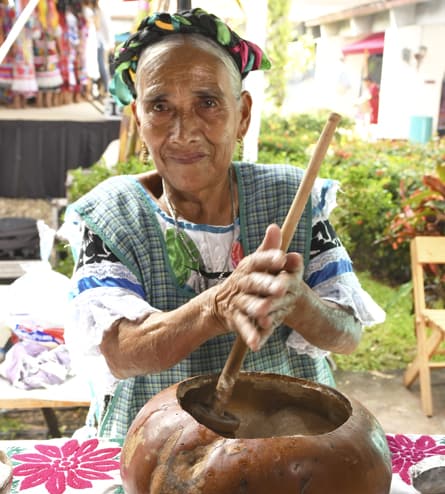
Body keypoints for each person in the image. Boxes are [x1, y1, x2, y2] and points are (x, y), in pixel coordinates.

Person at [63, 8, 385, 440]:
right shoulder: (113, 215)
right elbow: (122, 351)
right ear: (139, 119)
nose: (183, 132)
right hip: (156, 448)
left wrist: (300, 303)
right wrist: (215, 307)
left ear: (243, 114)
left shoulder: (294, 199)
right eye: (160, 106)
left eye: (208, 103)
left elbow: (347, 333)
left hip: (289, 444)